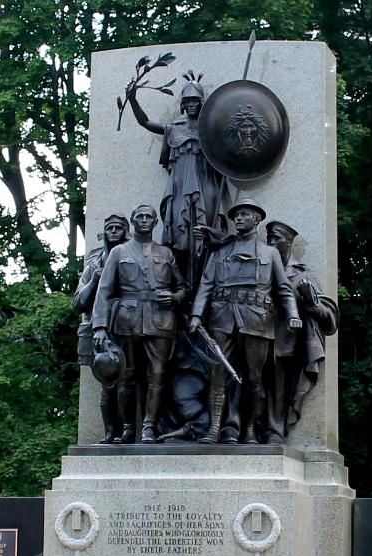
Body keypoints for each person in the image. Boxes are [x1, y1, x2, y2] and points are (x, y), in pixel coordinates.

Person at [189, 199, 301, 444]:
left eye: (245, 214)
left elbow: (283, 290)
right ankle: (214, 428)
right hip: (222, 318)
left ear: (257, 220)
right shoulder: (219, 252)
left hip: (257, 320)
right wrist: (197, 315)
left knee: (253, 378)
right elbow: (206, 285)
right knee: (218, 374)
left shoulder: (270, 253)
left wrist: (292, 314)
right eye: (237, 214)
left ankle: (250, 429)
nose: (238, 218)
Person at [92, 204, 189, 444]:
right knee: (127, 376)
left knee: (156, 375)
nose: (144, 220)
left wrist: (176, 297)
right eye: (140, 216)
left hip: (160, 321)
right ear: (133, 221)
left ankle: (149, 427)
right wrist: (100, 327)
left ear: (155, 223)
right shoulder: (119, 252)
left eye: (149, 217)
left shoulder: (166, 253)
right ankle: (128, 428)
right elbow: (104, 291)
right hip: (126, 321)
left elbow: (183, 287)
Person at [127, 73, 223, 278]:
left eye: (194, 101)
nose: (190, 105)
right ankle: (182, 285)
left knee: (204, 232)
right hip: (179, 188)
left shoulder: (212, 129)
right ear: (182, 104)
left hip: (206, 186)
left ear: (202, 102)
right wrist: (133, 99)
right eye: (187, 101)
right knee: (180, 234)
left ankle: (203, 282)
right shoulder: (173, 129)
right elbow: (145, 122)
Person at [263, 220, 339, 444]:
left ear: (289, 243)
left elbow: (330, 318)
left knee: (277, 388)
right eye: (268, 239)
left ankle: (274, 431)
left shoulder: (301, 274)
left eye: (276, 239)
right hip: (254, 336)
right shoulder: (260, 266)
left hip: (284, 342)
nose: (271, 243)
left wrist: (310, 301)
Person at [72, 213, 129, 443]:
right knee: (109, 384)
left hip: (127, 326)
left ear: (126, 231)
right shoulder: (93, 264)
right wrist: (95, 279)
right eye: (110, 227)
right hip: (100, 328)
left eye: (119, 227)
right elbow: (78, 303)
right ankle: (109, 431)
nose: (114, 231)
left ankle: (128, 430)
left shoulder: (132, 258)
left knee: (129, 380)